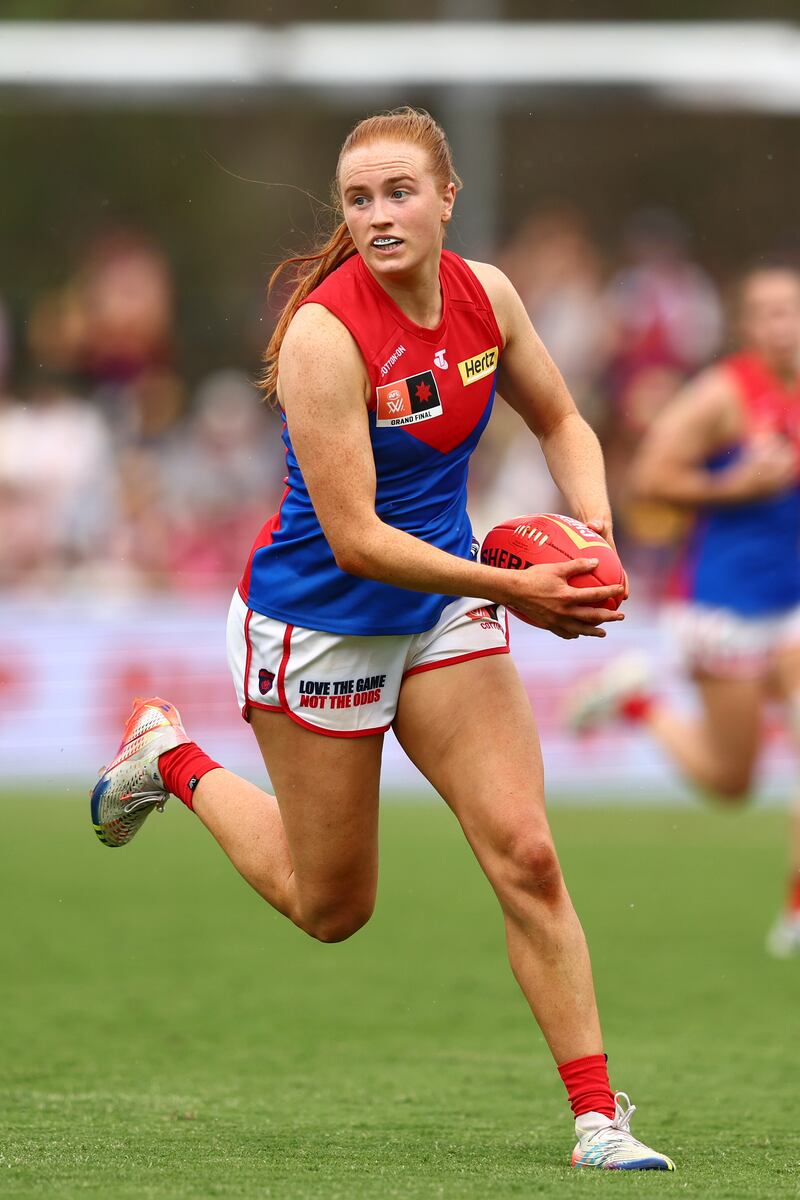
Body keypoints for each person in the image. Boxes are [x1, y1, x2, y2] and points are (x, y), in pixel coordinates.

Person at [91, 107, 674, 1172]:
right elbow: (356, 540)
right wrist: (525, 592)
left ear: (446, 197)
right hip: (318, 626)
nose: (377, 215)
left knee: (527, 854)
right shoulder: (325, 335)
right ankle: (167, 755)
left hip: (440, 603)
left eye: (398, 191)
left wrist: (588, 534)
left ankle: (598, 1118)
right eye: (357, 199)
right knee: (331, 909)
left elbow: (562, 423)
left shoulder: (485, 295)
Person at [568, 264, 800, 957]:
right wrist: (734, 482)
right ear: (745, 325)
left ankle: (795, 908)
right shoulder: (722, 397)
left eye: (791, 310)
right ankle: (639, 704)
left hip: (794, 608)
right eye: (766, 313)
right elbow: (648, 479)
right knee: (732, 781)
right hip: (723, 606)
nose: (781, 324)